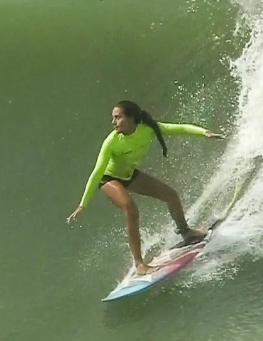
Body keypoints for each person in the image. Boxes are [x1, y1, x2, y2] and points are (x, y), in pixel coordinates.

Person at [66, 100, 225, 274]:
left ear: (131, 118)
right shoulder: (111, 141)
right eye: (113, 118)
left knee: (171, 195)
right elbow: (97, 172)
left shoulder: (148, 128)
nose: (113, 122)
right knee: (130, 207)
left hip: (129, 175)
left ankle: (186, 233)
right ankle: (139, 264)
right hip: (108, 179)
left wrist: (205, 132)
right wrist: (83, 204)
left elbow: (180, 128)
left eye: (117, 117)